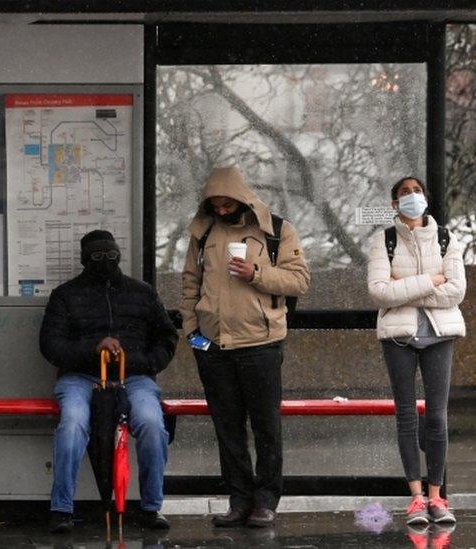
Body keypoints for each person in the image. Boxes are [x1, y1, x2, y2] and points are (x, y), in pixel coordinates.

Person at [181, 166, 310, 528]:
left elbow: (299, 280)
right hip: (214, 346)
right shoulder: (202, 233)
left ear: (242, 199)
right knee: (228, 428)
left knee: (266, 427)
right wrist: (193, 334)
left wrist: (257, 275)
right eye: (216, 206)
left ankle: (266, 501)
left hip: (261, 344)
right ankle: (238, 500)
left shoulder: (277, 231)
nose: (222, 211)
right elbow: (190, 284)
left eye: (227, 205)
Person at [40, 230, 179, 534]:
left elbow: (167, 338)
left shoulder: (142, 293)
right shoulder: (65, 295)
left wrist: (138, 361)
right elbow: (51, 346)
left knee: (153, 425)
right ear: (84, 259)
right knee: (73, 424)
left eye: (110, 255)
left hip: (135, 376)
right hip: (80, 376)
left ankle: (151, 507)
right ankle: (61, 508)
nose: (105, 262)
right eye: (97, 257)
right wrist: (94, 350)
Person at [367, 177, 465, 526]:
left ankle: (437, 497)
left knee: (437, 417)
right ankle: (416, 498)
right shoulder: (385, 240)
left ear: (426, 197)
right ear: (394, 204)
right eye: (404, 193)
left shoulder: (445, 238)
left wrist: (403, 288)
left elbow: (456, 291)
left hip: (440, 335)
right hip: (399, 337)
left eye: (417, 191)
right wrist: (430, 281)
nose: (412, 197)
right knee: (406, 415)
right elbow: (380, 292)